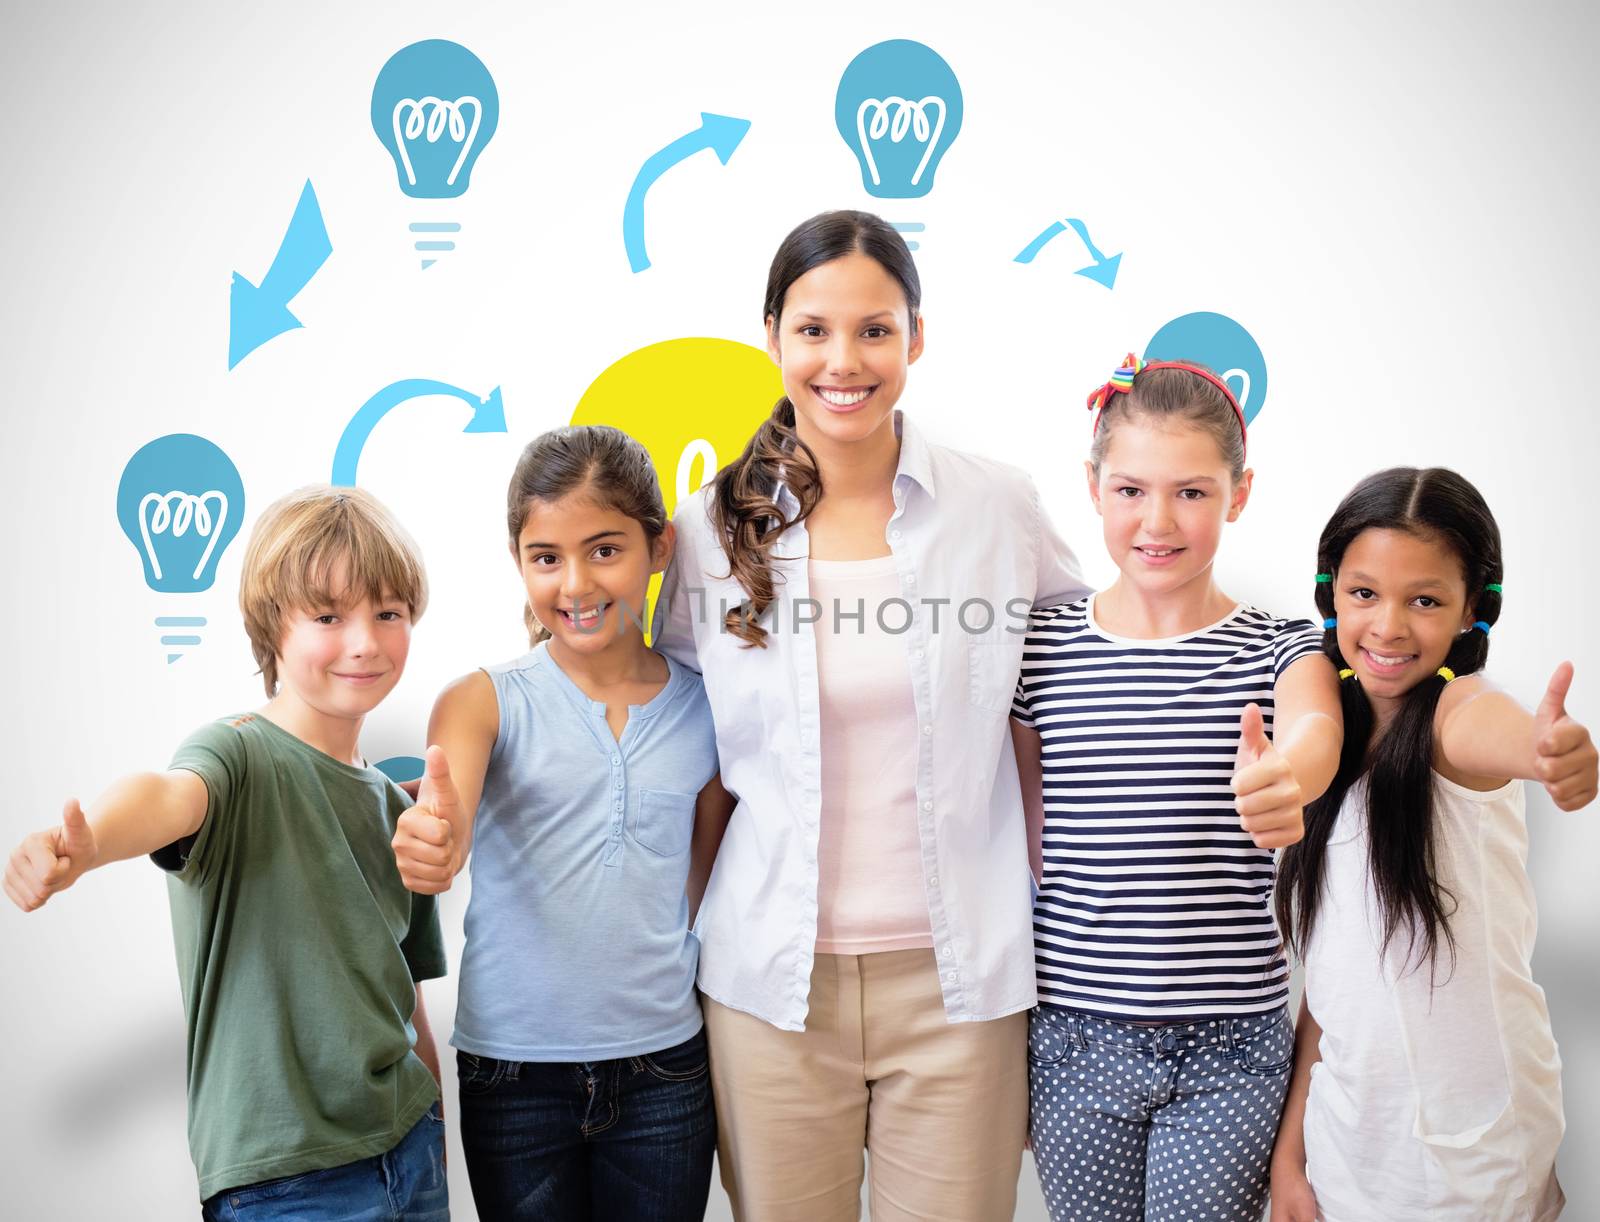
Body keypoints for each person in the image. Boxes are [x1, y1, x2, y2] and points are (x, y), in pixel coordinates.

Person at [652, 208, 1090, 1220]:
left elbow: (1080, 677)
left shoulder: (997, 509)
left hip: (960, 989)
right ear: (771, 337)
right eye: (812, 329)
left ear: (915, 338)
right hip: (768, 988)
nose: (842, 360)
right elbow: (681, 748)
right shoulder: (707, 531)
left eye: (874, 329)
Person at [3, 484, 449, 1220]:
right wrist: (84, 848)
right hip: (288, 1181)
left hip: (409, 1149)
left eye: (388, 613)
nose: (365, 640)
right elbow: (167, 796)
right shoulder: (238, 754)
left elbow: (407, 997)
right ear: (274, 627)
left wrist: (432, 1124)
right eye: (330, 616)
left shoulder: (400, 807)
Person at [1011, 355, 1344, 1221]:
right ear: (1092, 487)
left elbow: (1316, 732)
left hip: (1230, 1052)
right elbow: (1009, 824)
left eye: (1192, 493)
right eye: (1131, 491)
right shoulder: (1041, 646)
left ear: (1238, 493)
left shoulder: (1281, 647)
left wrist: (1285, 779)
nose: (1158, 521)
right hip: (1075, 1038)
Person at [392, 424, 725, 1222]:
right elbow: (450, 824)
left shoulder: (710, 705)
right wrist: (433, 843)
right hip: (514, 1075)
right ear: (520, 562)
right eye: (547, 557)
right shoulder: (480, 700)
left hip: (666, 1070)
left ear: (658, 547)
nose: (575, 583)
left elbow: (708, 883)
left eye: (604, 550)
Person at [1269, 466, 1595, 1221]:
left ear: (1471, 612)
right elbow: (1332, 988)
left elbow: (1499, 731)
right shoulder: (1327, 736)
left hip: (1474, 1164)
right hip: (1348, 1149)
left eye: (1424, 600)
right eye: (1363, 593)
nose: (1387, 626)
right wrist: (1293, 1157)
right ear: (1330, 593)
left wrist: (1548, 751)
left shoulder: (1458, 713)